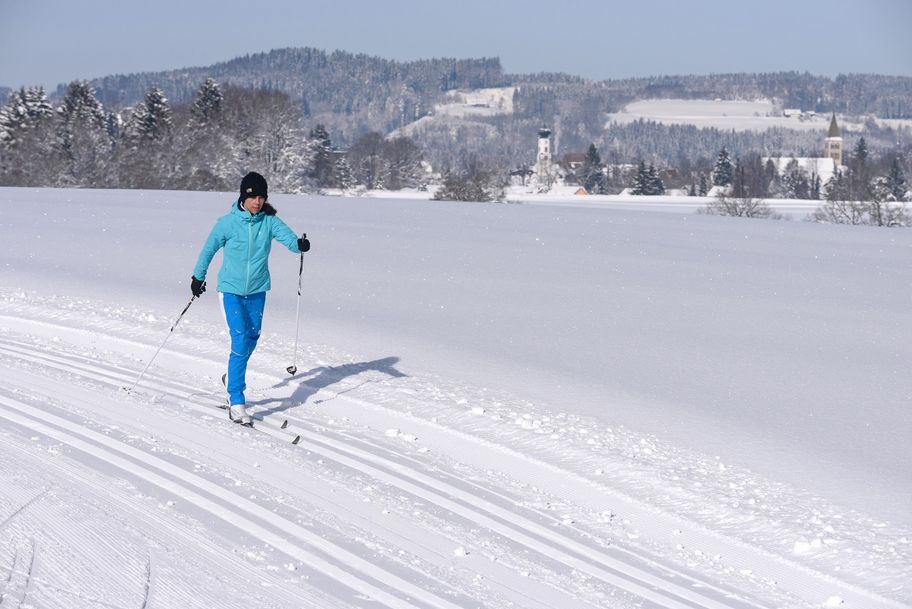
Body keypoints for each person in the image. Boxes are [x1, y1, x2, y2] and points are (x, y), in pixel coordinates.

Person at [190, 171, 310, 425]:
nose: (258, 201)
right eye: (253, 196)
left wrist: (299, 245)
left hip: (257, 290)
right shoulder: (227, 223)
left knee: (252, 338)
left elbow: (289, 239)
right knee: (241, 338)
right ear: (243, 197)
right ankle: (236, 400)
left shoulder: (269, 221)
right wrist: (198, 277)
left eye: (262, 197)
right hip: (230, 290)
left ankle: (231, 377)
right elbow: (208, 250)